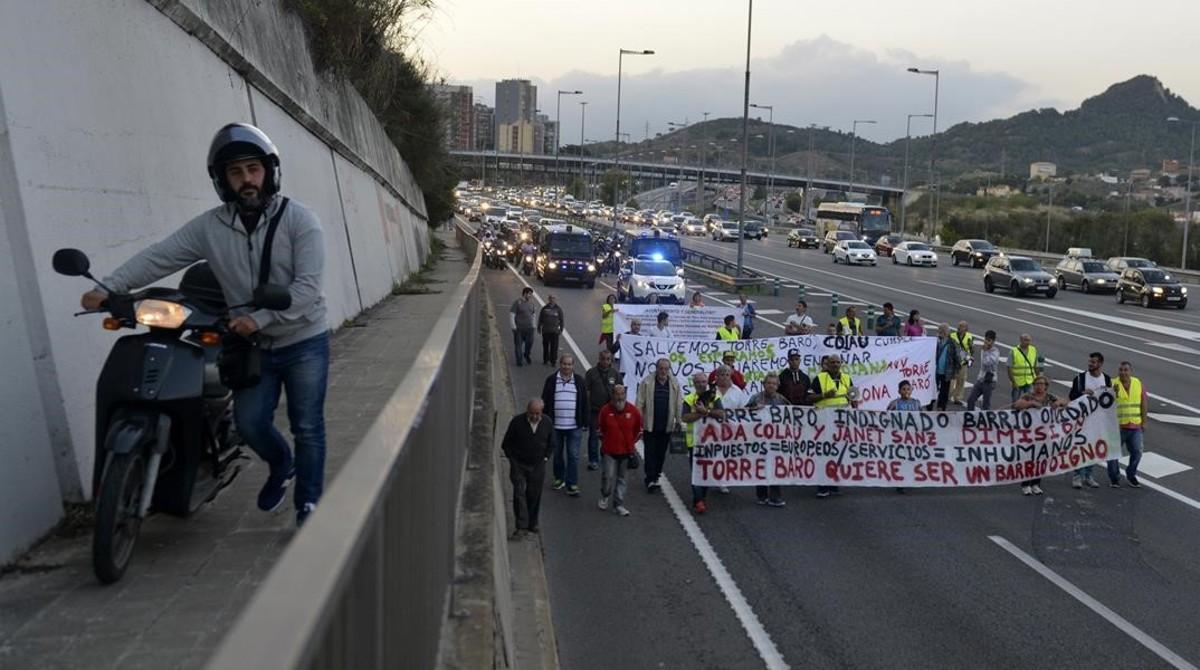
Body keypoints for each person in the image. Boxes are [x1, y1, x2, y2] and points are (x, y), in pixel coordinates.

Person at [84, 123, 329, 526]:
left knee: (307, 425)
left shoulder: (301, 221)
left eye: (253, 169)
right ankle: (282, 464)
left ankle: (309, 504)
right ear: (222, 181)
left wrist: (259, 316)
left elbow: (307, 288)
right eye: (236, 173)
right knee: (250, 424)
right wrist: (109, 288)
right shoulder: (210, 227)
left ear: (269, 171)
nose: (246, 180)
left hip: (303, 339)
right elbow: (160, 256)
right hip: (253, 345)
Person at [500, 398, 555, 537]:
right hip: (519, 464)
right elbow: (506, 444)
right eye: (532, 413)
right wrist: (512, 460)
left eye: (537, 414)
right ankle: (521, 526)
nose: (534, 416)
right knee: (519, 493)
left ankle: (532, 523)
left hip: (538, 465)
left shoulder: (547, 423)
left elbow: (552, 443)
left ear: (541, 412)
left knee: (534, 494)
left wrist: (545, 458)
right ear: (527, 411)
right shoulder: (517, 422)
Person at [541, 354, 589, 496]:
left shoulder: (579, 381)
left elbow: (585, 402)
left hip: (574, 426)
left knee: (573, 455)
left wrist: (585, 422)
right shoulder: (551, 380)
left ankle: (572, 483)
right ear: (560, 364)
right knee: (557, 454)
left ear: (573, 366)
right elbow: (545, 400)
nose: (566, 367)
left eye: (569, 364)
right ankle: (559, 478)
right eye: (564, 364)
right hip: (555, 426)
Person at [1011, 375, 1066, 495]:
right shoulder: (1029, 396)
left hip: (1044, 436)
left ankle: (1036, 484)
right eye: (1037, 384)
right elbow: (1017, 405)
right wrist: (1030, 404)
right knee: (1029, 460)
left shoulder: (1049, 397)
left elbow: (1066, 402)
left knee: (1041, 460)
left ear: (1046, 386)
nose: (1039, 386)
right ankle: (1026, 485)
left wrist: (1058, 402)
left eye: (1042, 384)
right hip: (1029, 435)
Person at [810, 356, 856, 498]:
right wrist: (824, 395)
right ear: (827, 365)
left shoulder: (847, 378)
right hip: (823, 423)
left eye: (838, 362)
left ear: (841, 364)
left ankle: (833, 484)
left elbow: (853, 397)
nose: (835, 365)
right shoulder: (820, 378)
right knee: (823, 454)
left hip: (841, 424)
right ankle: (822, 486)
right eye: (832, 362)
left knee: (837, 453)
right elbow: (809, 398)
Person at [636, 358, 682, 492]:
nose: (663, 371)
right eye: (661, 368)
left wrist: (679, 421)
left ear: (669, 370)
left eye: (666, 369)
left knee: (661, 453)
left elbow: (679, 403)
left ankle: (656, 475)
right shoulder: (647, 382)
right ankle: (650, 478)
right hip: (650, 424)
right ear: (656, 368)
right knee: (650, 452)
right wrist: (638, 421)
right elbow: (639, 402)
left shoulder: (674, 383)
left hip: (666, 425)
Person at [596, 385, 642, 517]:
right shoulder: (605, 411)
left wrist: (631, 443)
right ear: (612, 395)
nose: (619, 397)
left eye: (622, 394)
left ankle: (618, 504)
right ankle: (605, 495)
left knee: (622, 479)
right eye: (617, 394)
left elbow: (639, 430)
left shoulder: (633, 411)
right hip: (609, 451)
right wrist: (607, 442)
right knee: (608, 476)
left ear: (625, 395)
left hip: (626, 452)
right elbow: (600, 429)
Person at [682, 373, 725, 514]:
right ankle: (698, 500)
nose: (701, 384)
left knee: (706, 472)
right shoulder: (688, 399)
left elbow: (721, 414)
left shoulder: (715, 398)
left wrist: (705, 411)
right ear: (694, 384)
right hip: (694, 442)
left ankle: (702, 497)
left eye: (704, 381)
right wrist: (702, 413)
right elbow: (685, 418)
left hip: (711, 442)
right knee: (696, 472)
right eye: (698, 382)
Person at [1068, 352, 1110, 489]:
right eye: (1090, 362)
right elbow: (1072, 396)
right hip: (1082, 420)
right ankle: (1077, 476)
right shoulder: (1080, 378)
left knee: (1093, 449)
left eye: (1093, 362)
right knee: (1081, 448)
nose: (1090, 364)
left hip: (1098, 420)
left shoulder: (1107, 379)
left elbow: (1110, 400)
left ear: (1100, 364)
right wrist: (1082, 393)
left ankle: (1089, 475)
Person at [747, 373, 788, 507]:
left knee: (775, 467)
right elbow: (743, 413)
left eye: (774, 383)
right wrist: (753, 409)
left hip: (776, 440)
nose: (771, 385)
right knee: (760, 466)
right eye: (768, 383)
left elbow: (793, 413)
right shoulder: (756, 398)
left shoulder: (781, 399)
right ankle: (762, 495)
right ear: (764, 384)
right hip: (759, 439)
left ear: (777, 386)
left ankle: (775, 497)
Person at [1109, 361, 1147, 489]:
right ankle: (1114, 478)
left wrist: (1144, 421)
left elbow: (1143, 403)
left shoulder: (1138, 383)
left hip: (1135, 425)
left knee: (1137, 452)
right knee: (1113, 453)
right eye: (1121, 370)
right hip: (1118, 426)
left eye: (1126, 370)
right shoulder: (1112, 384)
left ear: (1130, 371)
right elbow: (1105, 405)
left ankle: (1131, 475)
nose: (1123, 372)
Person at [585, 349, 622, 470]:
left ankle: (605, 455)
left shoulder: (615, 374)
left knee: (609, 435)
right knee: (594, 435)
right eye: (603, 359)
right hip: (595, 410)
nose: (605, 361)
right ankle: (593, 460)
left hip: (610, 411)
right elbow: (587, 391)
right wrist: (588, 407)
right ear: (599, 359)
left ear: (611, 360)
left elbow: (621, 390)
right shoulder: (591, 373)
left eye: (608, 359)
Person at [886, 380, 923, 494]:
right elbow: (886, 417)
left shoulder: (917, 403)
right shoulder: (894, 404)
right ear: (899, 391)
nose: (906, 391)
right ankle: (900, 482)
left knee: (911, 458)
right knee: (900, 459)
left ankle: (910, 477)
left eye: (908, 389)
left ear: (911, 390)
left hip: (912, 436)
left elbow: (922, 417)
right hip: (899, 436)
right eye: (903, 389)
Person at [966, 330, 1000, 410]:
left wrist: (985, 352)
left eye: (989, 340)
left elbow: (987, 363)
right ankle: (971, 417)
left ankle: (986, 420)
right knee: (971, 400)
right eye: (986, 339)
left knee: (986, 404)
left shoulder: (995, 352)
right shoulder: (984, 349)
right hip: (981, 379)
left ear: (993, 341)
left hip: (989, 380)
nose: (987, 342)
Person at [931, 324, 960, 411]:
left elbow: (958, 356)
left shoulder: (952, 342)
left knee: (944, 390)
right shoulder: (935, 341)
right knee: (932, 389)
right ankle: (930, 405)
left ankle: (941, 407)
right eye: (940, 330)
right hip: (935, 370)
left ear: (947, 332)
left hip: (947, 371)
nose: (941, 332)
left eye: (943, 331)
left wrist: (956, 369)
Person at [1008, 333, 1041, 402]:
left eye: (1029, 340)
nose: (1028, 342)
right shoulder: (1014, 351)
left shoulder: (1033, 350)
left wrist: (1038, 379)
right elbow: (1009, 367)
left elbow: (1036, 366)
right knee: (1016, 402)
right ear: (1021, 340)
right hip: (1017, 382)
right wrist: (1013, 382)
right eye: (1026, 340)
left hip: (1030, 381)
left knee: (1030, 401)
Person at [949, 321, 974, 405]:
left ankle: (957, 398)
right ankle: (948, 396)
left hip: (963, 362)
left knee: (961, 380)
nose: (959, 327)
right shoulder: (952, 335)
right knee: (951, 381)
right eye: (959, 326)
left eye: (962, 326)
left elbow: (971, 350)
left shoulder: (969, 337)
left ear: (966, 328)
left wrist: (969, 356)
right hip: (953, 362)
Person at [511, 287, 537, 367]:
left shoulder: (531, 303)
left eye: (531, 294)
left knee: (529, 343)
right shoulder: (517, 303)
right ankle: (519, 360)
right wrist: (513, 326)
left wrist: (534, 325)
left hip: (529, 328)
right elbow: (512, 314)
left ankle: (526, 354)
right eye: (529, 294)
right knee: (518, 345)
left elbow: (533, 315)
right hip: (519, 328)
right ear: (525, 293)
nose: (530, 296)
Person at [538, 294, 565, 366]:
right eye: (551, 298)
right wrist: (539, 327)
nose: (552, 299)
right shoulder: (544, 308)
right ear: (548, 299)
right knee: (545, 346)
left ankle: (553, 361)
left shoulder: (558, 309)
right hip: (546, 330)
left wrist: (561, 329)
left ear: (556, 300)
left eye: (553, 298)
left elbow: (561, 320)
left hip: (555, 331)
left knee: (554, 347)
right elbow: (540, 319)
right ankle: (545, 359)